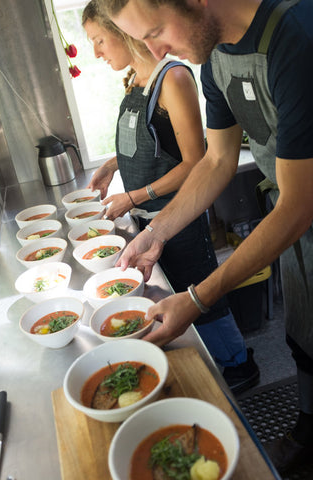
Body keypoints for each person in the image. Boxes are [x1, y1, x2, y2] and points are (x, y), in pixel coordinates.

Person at [101, 0, 313, 474]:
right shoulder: (216, 52)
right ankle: (308, 430)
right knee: (304, 336)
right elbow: (217, 161)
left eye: (156, 31)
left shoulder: (295, 36)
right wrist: (156, 231)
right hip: (298, 220)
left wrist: (197, 299)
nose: (156, 52)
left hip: (301, 205)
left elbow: (299, 203)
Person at [82, 1, 259, 393]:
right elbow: (159, 144)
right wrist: (115, 165)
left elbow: (199, 160)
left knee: (200, 292)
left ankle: (237, 365)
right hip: (154, 220)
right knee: (180, 294)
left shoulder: (175, 77)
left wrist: (135, 197)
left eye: (99, 41)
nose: (96, 52)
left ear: (123, 33)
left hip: (180, 213)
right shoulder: (139, 79)